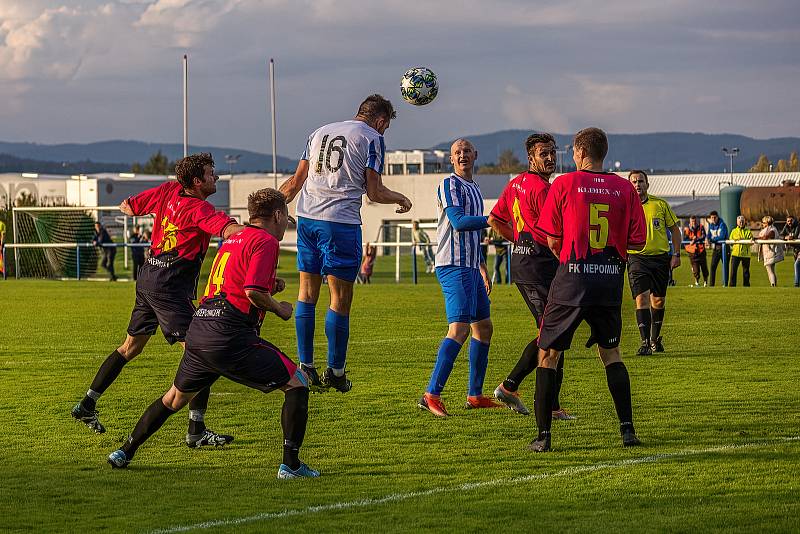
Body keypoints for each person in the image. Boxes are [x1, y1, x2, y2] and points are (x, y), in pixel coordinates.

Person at [108, 189, 319, 478]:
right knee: (298, 383)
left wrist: (272, 285)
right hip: (229, 334)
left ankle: (124, 452)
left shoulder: (235, 236)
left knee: (173, 400)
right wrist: (279, 308)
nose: (286, 227)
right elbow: (253, 292)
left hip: (200, 328)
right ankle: (291, 466)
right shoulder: (266, 241)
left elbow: (235, 280)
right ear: (278, 216)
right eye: (286, 220)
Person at [71, 153, 244, 448]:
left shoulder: (166, 190)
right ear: (197, 181)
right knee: (203, 353)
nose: (216, 177)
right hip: (169, 287)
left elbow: (129, 206)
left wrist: (143, 212)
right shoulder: (200, 209)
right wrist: (260, 234)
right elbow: (228, 230)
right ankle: (196, 430)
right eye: (211, 173)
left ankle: (87, 404)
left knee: (130, 347)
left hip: (148, 277)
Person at [280, 94, 412, 393]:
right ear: (381, 121)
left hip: (307, 218)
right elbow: (375, 192)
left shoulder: (319, 132)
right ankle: (336, 371)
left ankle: (306, 367)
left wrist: (273, 209)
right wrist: (401, 198)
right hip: (339, 222)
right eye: (386, 127)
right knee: (339, 299)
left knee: (306, 293)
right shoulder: (372, 138)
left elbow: (294, 183)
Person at [529, 127, 646, 452]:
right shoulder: (625, 188)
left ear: (578, 153)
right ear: (603, 153)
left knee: (548, 354)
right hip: (609, 281)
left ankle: (543, 438)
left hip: (572, 278)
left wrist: (571, 260)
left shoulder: (565, 183)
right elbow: (637, 241)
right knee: (611, 353)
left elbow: (551, 237)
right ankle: (627, 431)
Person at [488, 132, 574, 420]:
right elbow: (555, 233)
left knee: (556, 333)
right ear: (531, 158)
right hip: (539, 266)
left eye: (552, 152)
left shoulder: (515, 184)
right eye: (543, 154)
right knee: (550, 333)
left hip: (528, 264)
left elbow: (495, 219)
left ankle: (552, 406)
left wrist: (520, 240)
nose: (550, 158)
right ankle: (510, 386)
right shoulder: (543, 189)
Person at [418, 138, 501, 417]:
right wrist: (494, 219)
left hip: (470, 267)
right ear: (451, 160)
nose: (462, 155)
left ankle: (475, 395)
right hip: (452, 265)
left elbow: (474, 235)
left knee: (484, 327)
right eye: (457, 152)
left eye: (466, 151)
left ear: (475, 155)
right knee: (460, 329)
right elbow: (459, 222)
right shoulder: (449, 184)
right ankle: (431, 393)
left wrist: (482, 267)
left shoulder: (475, 189)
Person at [627, 170, 681, 355]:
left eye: (640, 181)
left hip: (660, 259)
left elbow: (675, 230)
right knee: (641, 298)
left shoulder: (660, 204)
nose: (637, 185)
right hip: (636, 257)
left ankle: (654, 340)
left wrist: (676, 254)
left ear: (647, 185)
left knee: (658, 301)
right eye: (633, 182)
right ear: (629, 185)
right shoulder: (625, 206)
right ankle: (644, 343)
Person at [757, 216, 784, 287]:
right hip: (769, 252)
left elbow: (768, 236)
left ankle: (773, 285)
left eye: (763, 222)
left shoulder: (772, 229)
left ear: (767, 223)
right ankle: (774, 285)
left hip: (770, 252)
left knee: (770, 270)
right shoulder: (772, 228)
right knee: (771, 270)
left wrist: (758, 238)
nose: (762, 224)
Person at [683, 215, 708, 287]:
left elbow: (703, 236)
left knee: (704, 267)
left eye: (694, 221)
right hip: (692, 251)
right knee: (695, 268)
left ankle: (705, 281)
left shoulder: (701, 227)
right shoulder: (687, 229)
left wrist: (695, 239)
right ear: (690, 222)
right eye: (692, 221)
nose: (693, 223)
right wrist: (691, 240)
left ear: (696, 221)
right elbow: (685, 239)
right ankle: (697, 281)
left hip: (701, 250)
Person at [729, 215, 753, 287]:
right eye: (740, 222)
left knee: (746, 272)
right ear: (737, 222)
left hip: (745, 254)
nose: (741, 223)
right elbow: (730, 242)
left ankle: (746, 286)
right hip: (735, 254)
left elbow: (751, 241)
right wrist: (734, 241)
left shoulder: (748, 231)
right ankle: (732, 286)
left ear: (744, 222)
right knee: (733, 271)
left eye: (742, 221)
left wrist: (744, 240)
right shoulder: (733, 231)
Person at [707, 210, 729, 286]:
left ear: (717, 217)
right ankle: (711, 285)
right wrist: (707, 239)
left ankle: (725, 284)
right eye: (711, 217)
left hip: (724, 248)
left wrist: (712, 240)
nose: (713, 219)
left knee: (725, 267)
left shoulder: (722, 224)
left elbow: (722, 236)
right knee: (712, 266)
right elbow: (709, 235)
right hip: (716, 248)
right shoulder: (710, 225)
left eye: (714, 217)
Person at [780, 215, 800, 287]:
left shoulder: (798, 225)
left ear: (794, 220)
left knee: (797, 264)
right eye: (788, 221)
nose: (789, 222)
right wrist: (785, 237)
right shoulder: (786, 226)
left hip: (799, 249)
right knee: (797, 266)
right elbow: (781, 235)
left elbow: (795, 236)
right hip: (795, 249)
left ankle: (796, 284)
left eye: (791, 221)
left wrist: (790, 237)